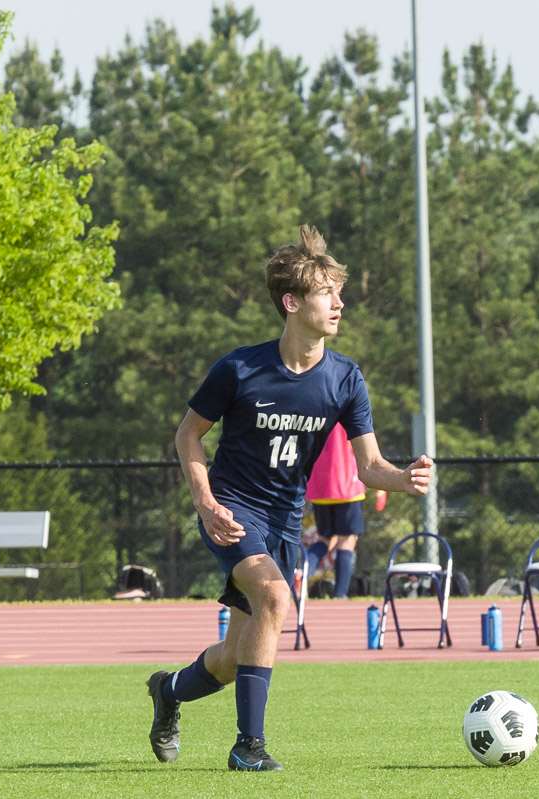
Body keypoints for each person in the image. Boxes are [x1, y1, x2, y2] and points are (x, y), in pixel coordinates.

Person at [148, 225, 434, 772]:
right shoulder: (239, 368)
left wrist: (406, 477)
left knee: (234, 658)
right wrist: (207, 503)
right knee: (278, 602)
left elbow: (370, 467)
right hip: (233, 510)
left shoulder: (346, 378)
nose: (339, 303)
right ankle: (247, 749)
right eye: (327, 293)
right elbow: (188, 434)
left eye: (337, 292)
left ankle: (168, 693)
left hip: (284, 521)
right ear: (291, 303)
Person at [303, 423, 384, 599]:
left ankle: (301, 576)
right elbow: (366, 444)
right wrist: (381, 482)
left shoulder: (317, 406)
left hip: (319, 485)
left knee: (325, 539)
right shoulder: (350, 405)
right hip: (347, 485)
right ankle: (340, 595)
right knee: (346, 541)